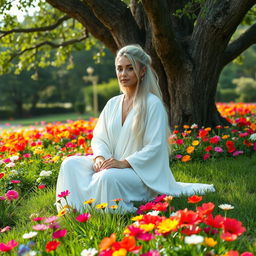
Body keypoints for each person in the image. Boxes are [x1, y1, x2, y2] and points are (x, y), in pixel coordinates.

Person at [56, 44, 214, 212]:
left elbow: (155, 147)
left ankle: (112, 212)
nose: (123, 74)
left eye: (130, 68)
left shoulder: (153, 105)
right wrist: (100, 158)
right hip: (112, 165)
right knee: (69, 164)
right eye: (120, 69)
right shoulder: (112, 104)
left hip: (141, 174)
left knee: (107, 177)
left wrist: (123, 163)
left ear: (142, 71)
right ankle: (73, 210)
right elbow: (100, 137)